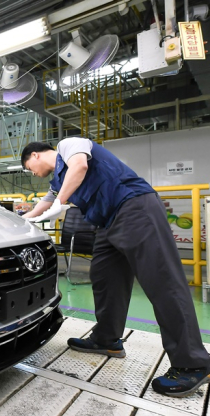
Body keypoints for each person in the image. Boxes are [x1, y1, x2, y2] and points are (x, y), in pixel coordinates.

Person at [21, 137, 210, 397]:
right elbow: (43, 205)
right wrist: (19, 218)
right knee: (104, 277)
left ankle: (194, 363)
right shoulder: (57, 180)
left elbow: (80, 168)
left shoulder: (69, 145)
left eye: (29, 167)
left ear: (34, 155)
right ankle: (106, 339)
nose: (32, 173)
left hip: (134, 208)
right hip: (108, 222)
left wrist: (59, 203)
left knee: (162, 282)